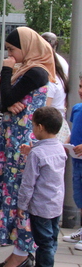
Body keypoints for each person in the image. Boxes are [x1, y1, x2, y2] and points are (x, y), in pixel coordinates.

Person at [0, 27, 56, 267]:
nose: (10, 55)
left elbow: (5, 95)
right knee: (12, 191)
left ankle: (23, 252)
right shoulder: (27, 70)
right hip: (14, 140)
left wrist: (6, 68)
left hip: (21, 142)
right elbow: (6, 100)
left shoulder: (35, 71)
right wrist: (7, 104)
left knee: (19, 194)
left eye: (12, 50)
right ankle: (20, 250)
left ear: (26, 47)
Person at [18, 106, 66, 267]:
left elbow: (28, 183)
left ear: (40, 127)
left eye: (32, 125)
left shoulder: (36, 154)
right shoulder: (60, 148)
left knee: (43, 243)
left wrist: (22, 205)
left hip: (40, 207)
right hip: (56, 204)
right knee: (51, 240)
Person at [63, 76, 82, 249]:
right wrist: (66, 144)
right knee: (79, 197)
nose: (81, 91)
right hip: (77, 161)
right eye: (81, 86)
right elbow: (73, 131)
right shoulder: (77, 109)